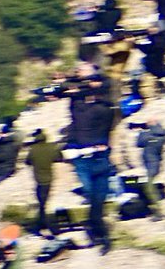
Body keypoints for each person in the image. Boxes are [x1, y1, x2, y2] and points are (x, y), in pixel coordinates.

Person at [65, 70, 116, 253]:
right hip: (89, 157)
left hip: (96, 158)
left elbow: (83, 107)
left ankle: (104, 238)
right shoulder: (91, 109)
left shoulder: (102, 110)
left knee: (95, 206)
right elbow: (75, 109)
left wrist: (80, 90)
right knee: (94, 202)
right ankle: (100, 236)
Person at [25, 130, 62, 236]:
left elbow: (27, 162)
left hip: (38, 179)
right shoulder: (50, 148)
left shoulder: (33, 150)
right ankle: (46, 225)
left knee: (42, 203)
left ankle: (43, 224)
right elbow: (59, 158)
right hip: (48, 179)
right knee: (43, 203)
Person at [136, 119, 165, 220]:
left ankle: (158, 210)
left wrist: (141, 132)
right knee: (148, 186)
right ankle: (156, 209)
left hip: (151, 165)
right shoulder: (161, 135)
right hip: (154, 164)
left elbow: (139, 142)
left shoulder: (148, 136)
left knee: (149, 188)